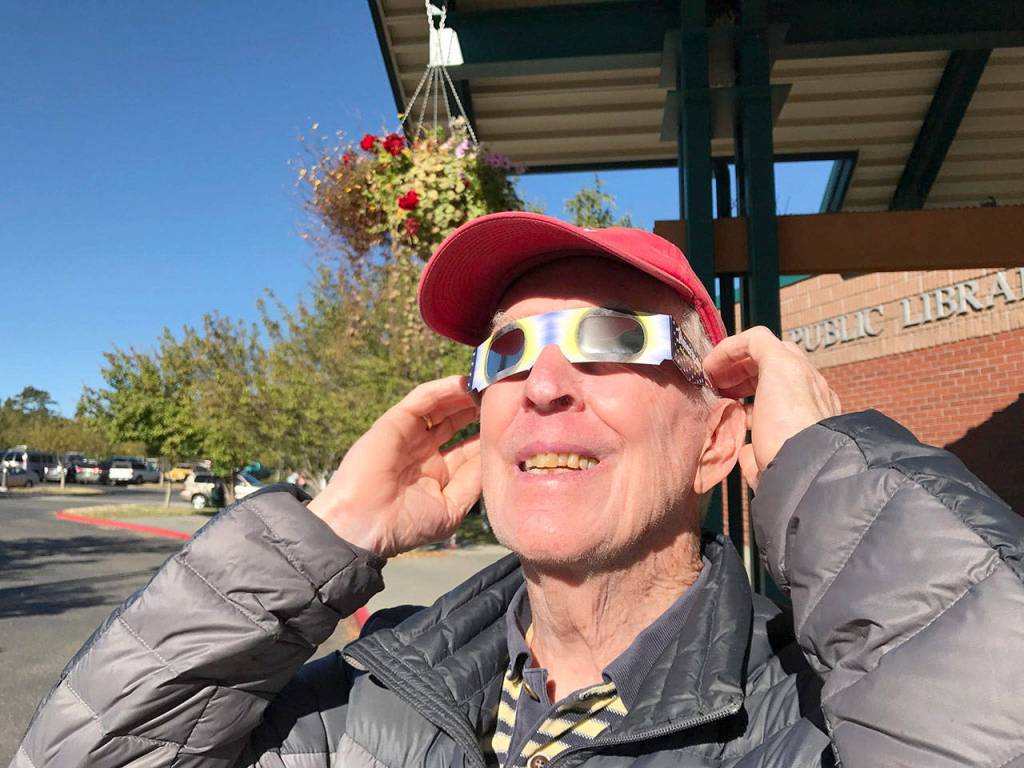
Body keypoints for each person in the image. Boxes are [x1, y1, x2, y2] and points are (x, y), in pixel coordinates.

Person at [12, 212, 1024, 768]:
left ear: (718, 437)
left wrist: (831, 469)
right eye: (509, 348)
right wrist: (329, 537)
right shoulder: (356, 706)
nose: (542, 382)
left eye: (614, 339)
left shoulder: (814, 724)